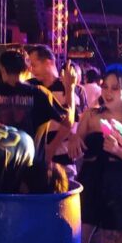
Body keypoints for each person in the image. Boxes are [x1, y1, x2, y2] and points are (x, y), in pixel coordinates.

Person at [68, 64, 122, 243]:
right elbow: (76, 146)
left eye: (115, 88)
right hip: (89, 183)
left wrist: (119, 151)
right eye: (105, 86)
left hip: (118, 187)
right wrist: (74, 140)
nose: (108, 93)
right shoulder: (91, 116)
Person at [26, 45, 80, 179]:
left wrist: (52, 147)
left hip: (63, 160)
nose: (31, 70)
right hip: (35, 158)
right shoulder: (30, 86)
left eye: (34, 65)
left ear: (48, 62)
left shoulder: (67, 86)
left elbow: (72, 121)